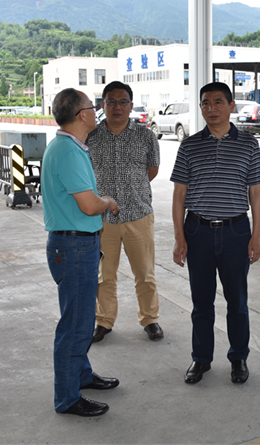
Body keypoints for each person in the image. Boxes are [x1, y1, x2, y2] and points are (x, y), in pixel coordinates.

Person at [171, 82, 260, 385]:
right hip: (197, 230)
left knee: (237, 301)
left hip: (235, 232)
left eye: (217, 102)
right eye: (205, 103)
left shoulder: (248, 144)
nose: (210, 108)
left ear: (231, 105)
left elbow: (257, 193)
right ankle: (201, 358)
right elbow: (179, 195)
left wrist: (256, 235)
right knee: (201, 301)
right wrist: (179, 237)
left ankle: (238, 357)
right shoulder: (189, 145)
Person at [42, 88, 121, 417]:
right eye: (92, 106)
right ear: (81, 115)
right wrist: (109, 202)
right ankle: (67, 397)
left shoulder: (68, 147)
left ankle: (81, 375)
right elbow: (89, 205)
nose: (96, 110)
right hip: (73, 247)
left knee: (81, 317)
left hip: (74, 244)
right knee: (76, 325)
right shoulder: (68, 152)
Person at [87, 81, 163, 344]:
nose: (117, 107)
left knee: (145, 274)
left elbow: (152, 170)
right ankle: (104, 321)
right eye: (111, 101)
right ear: (103, 105)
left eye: (122, 102)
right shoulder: (91, 137)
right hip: (102, 219)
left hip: (138, 215)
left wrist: (132, 190)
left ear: (131, 105)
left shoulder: (146, 136)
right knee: (104, 275)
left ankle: (150, 319)